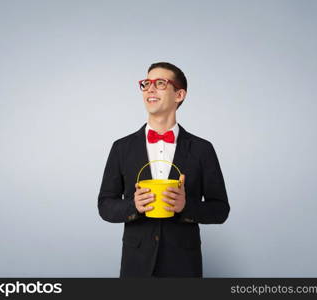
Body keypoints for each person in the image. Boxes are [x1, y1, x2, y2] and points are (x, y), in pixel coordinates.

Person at [98, 62, 230, 277]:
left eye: (160, 83)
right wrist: (134, 205)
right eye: (146, 83)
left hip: (184, 264)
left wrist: (186, 206)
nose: (150, 88)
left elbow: (221, 210)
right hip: (137, 265)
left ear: (179, 95)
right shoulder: (122, 148)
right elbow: (105, 205)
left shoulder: (202, 149)